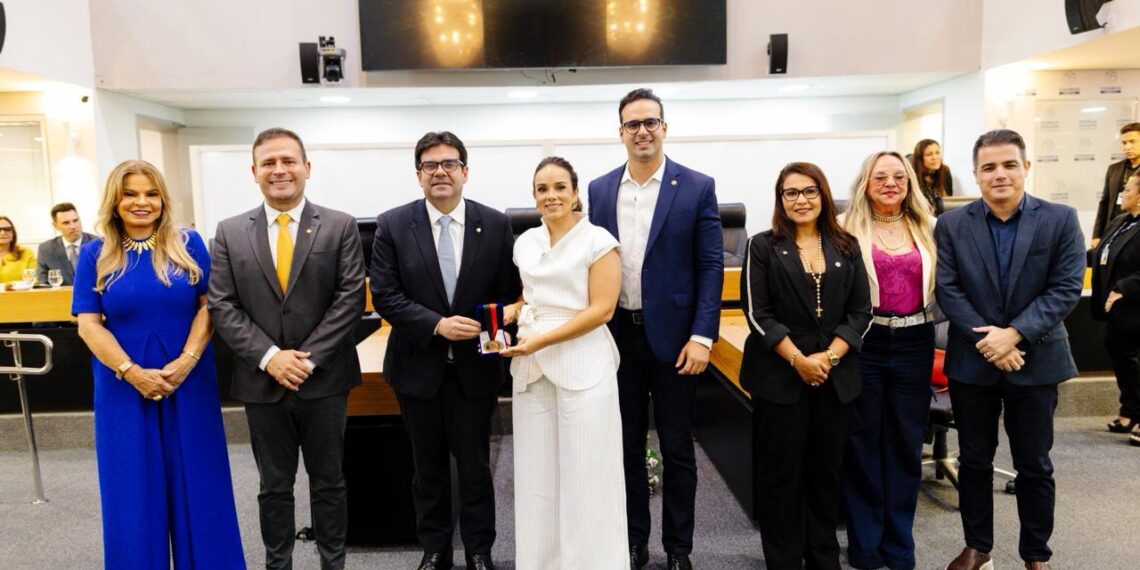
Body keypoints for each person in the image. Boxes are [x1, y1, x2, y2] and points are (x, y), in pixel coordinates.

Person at [72, 159, 244, 569]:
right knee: (132, 491)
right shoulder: (94, 252)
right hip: (122, 386)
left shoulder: (189, 242)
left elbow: (210, 308)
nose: (141, 202)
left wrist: (186, 361)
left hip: (188, 381)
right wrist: (132, 372)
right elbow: (89, 325)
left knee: (199, 484)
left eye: (150, 193)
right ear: (115, 200)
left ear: (163, 199)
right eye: (130, 194)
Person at [208, 128, 366, 570]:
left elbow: (350, 298)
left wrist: (307, 358)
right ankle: (278, 564)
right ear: (254, 172)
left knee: (329, 483)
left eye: (289, 161)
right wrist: (270, 357)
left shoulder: (339, 225)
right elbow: (223, 304)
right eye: (269, 162)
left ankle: (333, 563)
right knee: (273, 486)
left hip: (326, 381)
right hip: (262, 382)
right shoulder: (229, 231)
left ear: (307, 168)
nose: (280, 170)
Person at [935, 129, 1085, 570]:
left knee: (1034, 463)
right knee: (975, 459)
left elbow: (1064, 289)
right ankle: (977, 546)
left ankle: (1036, 555)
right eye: (989, 167)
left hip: (1035, 359)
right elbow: (948, 289)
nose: (999, 174)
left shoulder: (1059, 219)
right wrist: (992, 342)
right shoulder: (952, 224)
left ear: (1025, 167)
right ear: (976, 175)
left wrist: (1013, 334)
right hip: (974, 363)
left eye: (1008, 164)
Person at [587, 88, 723, 570]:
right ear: (619, 131)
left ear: (665, 127)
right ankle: (633, 541)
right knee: (623, 448)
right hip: (617, 338)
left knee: (678, 449)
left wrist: (703, 336)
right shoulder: (600, 189)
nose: (642, 131)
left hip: (678, 341)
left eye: (650, 122)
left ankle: (678, 549)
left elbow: (710, 266)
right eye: (632, 124)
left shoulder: (697, 185)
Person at [370, 131, 519, 570]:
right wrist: (437, 325)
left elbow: (509, 293)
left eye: (449, 164)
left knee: (475, 467)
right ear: (418, 175)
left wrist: (493, 326)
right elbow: (385, 295)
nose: (440, 172)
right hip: (417, 368)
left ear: (465, 171)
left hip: (476, 369)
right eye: (430, 165)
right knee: (428, 468)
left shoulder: (494, 224)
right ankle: (435, 550)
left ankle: (479, 550)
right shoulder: (393, 224)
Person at [740, 162, 871, 570]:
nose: (801, 200)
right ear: (780, 200)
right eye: (791, 193)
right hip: (780, 378)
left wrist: (828, 358)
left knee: (825, 474)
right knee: (781, 476)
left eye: (809, 191)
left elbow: (861, 312)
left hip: (834, 378)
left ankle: (822, 557)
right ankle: (782, 559)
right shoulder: (762, 246)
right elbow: (757, 312)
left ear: (824, 195)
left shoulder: (847, 245)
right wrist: (798, 360)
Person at [500, 156, 628, 569]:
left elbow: (602, 310)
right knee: (536, 475)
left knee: (588, 472)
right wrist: (513, 312)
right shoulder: (526, 243)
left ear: (575, 192)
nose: (551, 195)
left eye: (559, 187)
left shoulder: (599, 241)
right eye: (542, 189)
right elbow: (530, 295)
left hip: (583, 358)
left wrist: (540, 341)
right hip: (532, 367)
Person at [841, 151, 938, 570]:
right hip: (867, 342)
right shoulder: (845, 229)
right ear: (866, 182)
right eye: (881, 176)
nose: (890, 183)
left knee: (904, 444)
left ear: (909, 182)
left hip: (916, 341)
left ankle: (899, 545)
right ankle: (865, 545)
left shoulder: (929, 226)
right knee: (863, 444)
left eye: (899, 176)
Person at [1090, 172, 1140, 443]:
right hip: (1118, 311)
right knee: (1122, 358)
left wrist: (1124, 287)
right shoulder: (1121, 222)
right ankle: (1130, 410)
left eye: (1128, 189)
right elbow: (1100, 254)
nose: (1122, 194)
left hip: (1135, 304)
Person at [1092, 123, 1140, 245]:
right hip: (1113, 230)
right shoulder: (1114, 169)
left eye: (1132, 141)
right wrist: (1097, 235)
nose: (1127, 147)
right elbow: (1104, 202)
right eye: (1124, 143)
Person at [37, 202, 97, 285]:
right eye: (66, 223)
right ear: (55, 225)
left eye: (75, 220)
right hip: (60, 297)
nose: (73, 226)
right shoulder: (46, 249)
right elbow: (43, 284)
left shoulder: (98, 244)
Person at [912, 139, 954, 215]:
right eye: (929, 154)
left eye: (937, 153)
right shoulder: (912, 177)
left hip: (942, 218)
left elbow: (949, 201)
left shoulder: (945, 171)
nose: (934, 157)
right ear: (920, 159)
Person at [0, 216, 38, 283]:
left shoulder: (26, 253)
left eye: (7, 229)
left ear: (13, 233)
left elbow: (34, 281)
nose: (3, 233)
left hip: (18, 293)